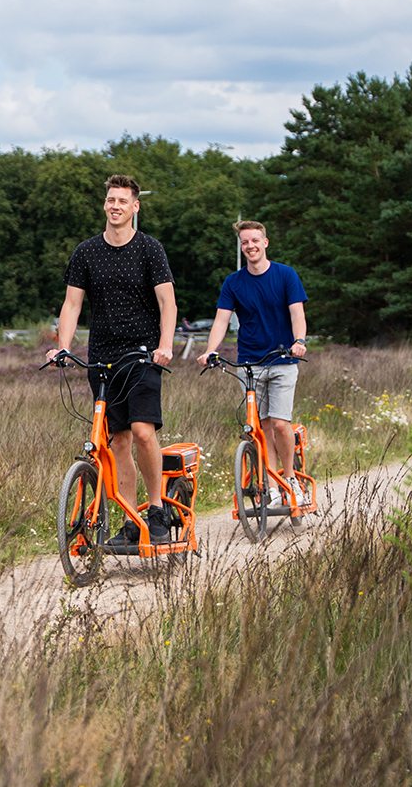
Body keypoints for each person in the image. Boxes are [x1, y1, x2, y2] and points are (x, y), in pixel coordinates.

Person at [45, 174, 178, 546]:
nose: (115, 206)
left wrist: (164, 344)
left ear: (135, 206)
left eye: (122, 200)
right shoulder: (86, 252)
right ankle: (131, 521)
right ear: (104, 204)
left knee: (141, 432)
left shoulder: (150, 249)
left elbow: (168, 303)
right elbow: (72, 304)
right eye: (110, 200)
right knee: (117, 442)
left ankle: (156, 510)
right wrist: (63, 346)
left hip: (142, 354)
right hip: (102, 357)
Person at [196, 221, 309, 505]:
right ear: (241, 246)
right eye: (245, 242)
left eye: (255, 241)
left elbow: (297, 313)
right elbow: (222, 320)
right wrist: (211, 350)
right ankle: (271, 486)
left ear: (266, 242)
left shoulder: (286, 275)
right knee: (262, 428)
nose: (250, 246)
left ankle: (290, 477)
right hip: (250, 365)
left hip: (283, 360)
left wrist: (300, 340)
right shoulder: (234, 282)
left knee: (281, 425)